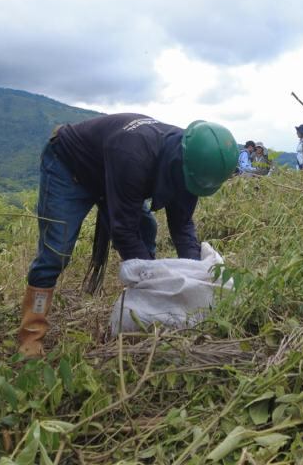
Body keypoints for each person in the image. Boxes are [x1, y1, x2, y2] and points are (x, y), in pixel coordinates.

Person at [18, 113, 239, 358]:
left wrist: (201, 283)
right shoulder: (136, 154)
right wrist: (152, 278)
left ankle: (148, 314)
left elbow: (182, 227)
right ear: (181, 162)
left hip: (114, 173)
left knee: (146, 231)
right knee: (55, 252)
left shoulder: (193, 164)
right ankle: (31, 334)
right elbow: (123, 230)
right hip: (71, 168)